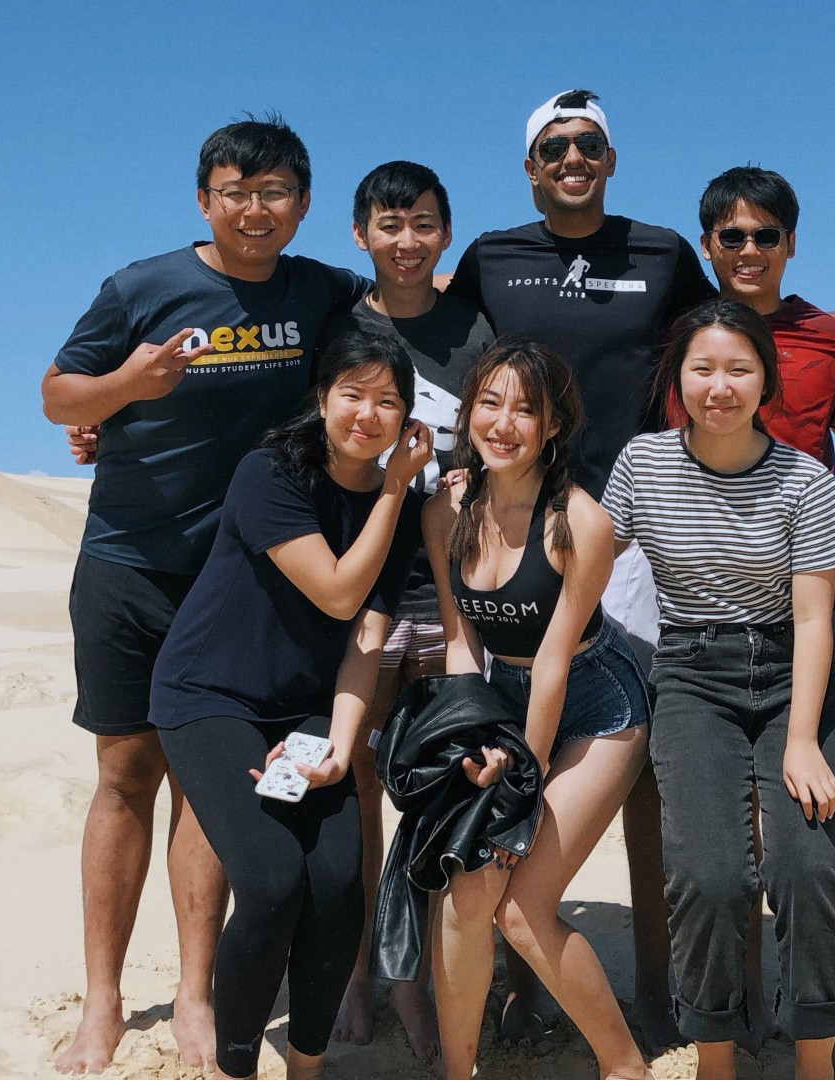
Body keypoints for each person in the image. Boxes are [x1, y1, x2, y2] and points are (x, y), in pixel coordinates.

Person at [37, 115, 367, 1074]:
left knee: (206, 788)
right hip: (130, 562)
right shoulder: (142, 288)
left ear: (301, 205)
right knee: (124, 774)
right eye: (235, 192)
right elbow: (58, 395)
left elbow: (407, 311)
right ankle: (101, 998)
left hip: (240, 586)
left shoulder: (322, 293)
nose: (254, 211)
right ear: (203, 200)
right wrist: (124, 387)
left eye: (273, 195)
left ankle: (194, 990)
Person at [440, 87, 714, 1049]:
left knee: (635, 774)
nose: (571, 158)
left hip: (629, 534)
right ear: (529, 165)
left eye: (588, 144)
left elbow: (727, 345)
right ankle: (520, 990)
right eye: (553, 145)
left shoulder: (663, 254)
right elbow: (436, 351)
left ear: (610, 159)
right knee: (514, 749)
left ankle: (653, 985)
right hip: (517, 528)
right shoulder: (490, 257)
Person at [149, 333, 432, 1080]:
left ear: (406, 415)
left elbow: (366, 634)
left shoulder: (402, 503)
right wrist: (395, 490)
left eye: (389, 401)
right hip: (209, 697)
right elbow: (338, 588)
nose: (368, 414)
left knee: (338, 886)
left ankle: (306, 1066)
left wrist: (342, 744)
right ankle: (235, 1068)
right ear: (321, 398)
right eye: (352, 394)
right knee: (273, 882)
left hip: (306, 708)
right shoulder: (269, 472)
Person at [602, 299, 835, 1080]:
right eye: (703, 368)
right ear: (677, 377)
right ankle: (714, 1058)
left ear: (767, 379)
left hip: (799, 678)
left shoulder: (804, 477)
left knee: (809, 865)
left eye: (739, 369)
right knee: (709, 874)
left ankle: (814, 1061)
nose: (720, 386)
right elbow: (580, 551)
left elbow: (817, 620)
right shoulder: (642, 463)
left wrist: (800, 744)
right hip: (690, 673)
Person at [673, 165, 835, 1051]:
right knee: (714, 855)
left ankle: (805, 1037)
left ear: (791, 243)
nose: (750, 249)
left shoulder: (831, 334)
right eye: (732, 236)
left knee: (806, 844)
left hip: (817, 608)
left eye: (767, 235)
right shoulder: (682, 331)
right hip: (707, 617)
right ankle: (723, 1019)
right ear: (709, 246)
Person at [421, 339, 653, 1080]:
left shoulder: (581, 521)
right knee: (467, 886)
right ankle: (460, 1073)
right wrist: (474, 732)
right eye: (489, 403)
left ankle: (625, 1067)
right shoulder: (446, 508)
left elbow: (553, 661)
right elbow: (462, 645)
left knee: (522, 909)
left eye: (527, 409)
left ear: (554, 426)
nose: (504, 422)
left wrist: (519, 774)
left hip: (597, 704)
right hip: (502, 702)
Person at [319, 159, 494, 1055]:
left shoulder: (475, 327)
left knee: (436, 793)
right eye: (389, 224)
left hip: (457, 595)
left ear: (445, 233)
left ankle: (419, 975)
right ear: (361, 234)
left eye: (423, 223)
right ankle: (357, 972)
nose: (406, 240)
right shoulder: (338, 324)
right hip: (362, 596)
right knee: (353, 795)